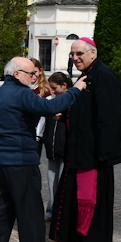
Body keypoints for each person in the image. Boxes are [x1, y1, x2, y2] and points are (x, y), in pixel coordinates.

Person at [0, 57, 85, 242]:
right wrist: (75, 90)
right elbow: (52, 105)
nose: (34, 78)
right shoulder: (23, 94)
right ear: (16, 74)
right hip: (22, 163)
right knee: (30, 216)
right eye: (31, 74)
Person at [50, 38, 121, 242]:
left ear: (93, 53)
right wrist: (66, 116)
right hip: (78, 151)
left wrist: (104, 154)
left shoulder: (104, 77)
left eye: (80, 54)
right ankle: (72, 239)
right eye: (72, 54)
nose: (75, 58)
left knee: (91, 201)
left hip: (94, 155)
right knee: (72, 196)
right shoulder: (84, 77)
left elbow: (108, 119)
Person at [42, 72, 73, 222]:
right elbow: (45, 126)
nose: (52, 91)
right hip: (52, 149)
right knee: (52, 182)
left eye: (54, 88)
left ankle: (60, 214)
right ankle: (51, 211)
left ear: (64, 86)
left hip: (66, 150)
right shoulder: (50, 101)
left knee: (62, 184)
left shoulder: (71, 102)